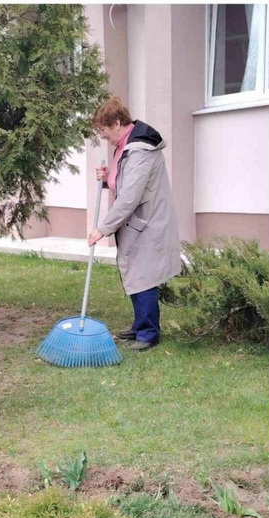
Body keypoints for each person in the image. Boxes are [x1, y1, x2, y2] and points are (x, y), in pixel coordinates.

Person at [88, 96, 182, 351]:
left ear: (117, 123)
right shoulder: (125, 146)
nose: (102, 135)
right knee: (135, 272)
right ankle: (141, 325)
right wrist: (109, 179)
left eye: (103, 129)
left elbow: (130, 197)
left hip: (148, 222)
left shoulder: (140, 151)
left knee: (143, 276)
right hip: (136, 222)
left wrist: (102, 229)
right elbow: (126, 183)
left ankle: (148, 333)